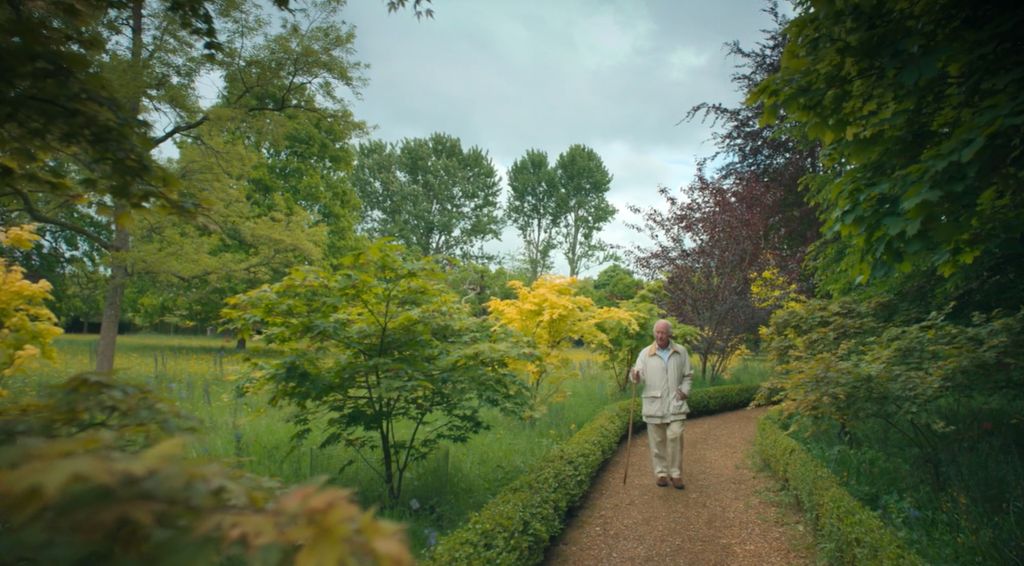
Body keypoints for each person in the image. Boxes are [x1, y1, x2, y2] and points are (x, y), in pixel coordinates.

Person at [630, 319, 693, 489]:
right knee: (657, 442)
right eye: (657, 332)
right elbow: (638, 374)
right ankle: (661, 473)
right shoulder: (645, 353)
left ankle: (676, 474)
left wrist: (685, 391)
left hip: (676, 402)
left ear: (669, 334)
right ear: (654, 333)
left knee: (675, 436)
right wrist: (635, 376)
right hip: (654, 403)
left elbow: (688, 375)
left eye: (663, 332)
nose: (660, 335)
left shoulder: (681, 352)